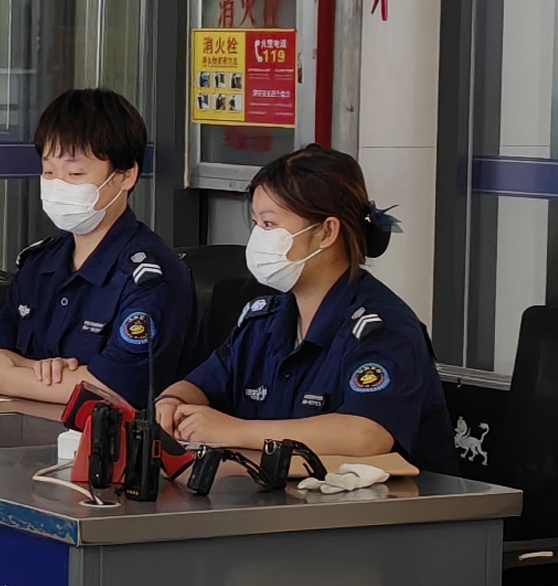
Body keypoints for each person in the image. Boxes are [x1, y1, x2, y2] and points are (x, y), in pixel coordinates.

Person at [155, 145, 446, 467]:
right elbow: (202, 384)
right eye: (255, 223)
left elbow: (366, 434)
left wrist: (235, 431)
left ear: (327, 232)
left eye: (269, 225)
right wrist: (172, 402)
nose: (258, 238)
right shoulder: (263, 321)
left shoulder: (383, 330)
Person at [0, 86, 187, 416]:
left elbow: (112, 389)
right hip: (27, 433)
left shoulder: (150, 278)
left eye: (75, 173)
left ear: (126, 175)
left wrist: (11, 373)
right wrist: (49, 374)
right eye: (49, 172)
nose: (58, 185)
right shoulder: (40, 263)